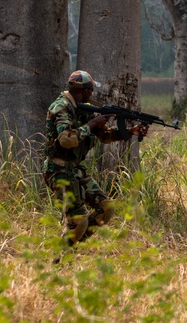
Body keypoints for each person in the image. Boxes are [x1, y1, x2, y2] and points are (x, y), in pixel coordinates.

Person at [43, 70, 146, 246]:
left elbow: (104, 135)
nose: (92, 94)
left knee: (106, 209)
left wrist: (129, 131)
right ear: (84, 91)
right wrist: (91, 125)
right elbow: (67, 140)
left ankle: (73, 245)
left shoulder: (83, 107)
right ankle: (60, 257)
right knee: (79, 219)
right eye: (90, 90)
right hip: (58, 171)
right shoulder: (61, 107)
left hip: (75, 170)